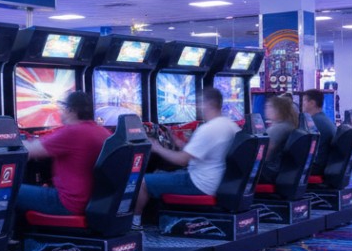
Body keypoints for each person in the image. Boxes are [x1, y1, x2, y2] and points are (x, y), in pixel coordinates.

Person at [132, 87, 240, 229]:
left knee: (142, 181)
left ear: (207, 104)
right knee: (159, 174)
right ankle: (152, 220)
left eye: (200, 103)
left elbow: (182, 160)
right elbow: (200, 153)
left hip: (199, 183)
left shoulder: (208, 129)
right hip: (217, 181)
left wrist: (158, 148)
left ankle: (134, 224)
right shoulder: (230, 125)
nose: (198, 107)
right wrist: (179, 143)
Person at [16, 90, 110, 216]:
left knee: (6, 192)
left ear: (70, 110)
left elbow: (28, 151)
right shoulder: (103, 132)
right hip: (95, 202)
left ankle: (8, 235)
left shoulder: (72, 132)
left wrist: (4, 141)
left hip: (69, 203)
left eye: (62, 107)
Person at [258, 95, 299, 184]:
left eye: (269, 106)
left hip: (270, 173)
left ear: (278, 110)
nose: (266, 109)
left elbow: (263, 155)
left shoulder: (277, 130)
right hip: (281, 171)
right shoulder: (290, 125)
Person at [302, 89, 335, 174]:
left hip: (315, 167)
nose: (302, 104)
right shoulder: (323, 119)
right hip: (323, 164)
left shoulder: (313, 123)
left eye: (304, 101)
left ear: (312, 103)